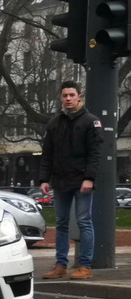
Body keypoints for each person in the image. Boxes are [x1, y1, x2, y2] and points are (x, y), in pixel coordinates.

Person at [39, 80, 103, 279]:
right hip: (60, 180)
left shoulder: (90, 121)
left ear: (78, 97)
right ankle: (61, 266)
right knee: (61, 223)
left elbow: (95, 153)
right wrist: (44, 179)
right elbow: (47, 153)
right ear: (61, 97)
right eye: (65, 95)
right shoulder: (54, 122)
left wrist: (89, 178)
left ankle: (85, 266)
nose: (68, 99)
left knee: (84, 221)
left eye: (71, 95)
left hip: (81, 180)